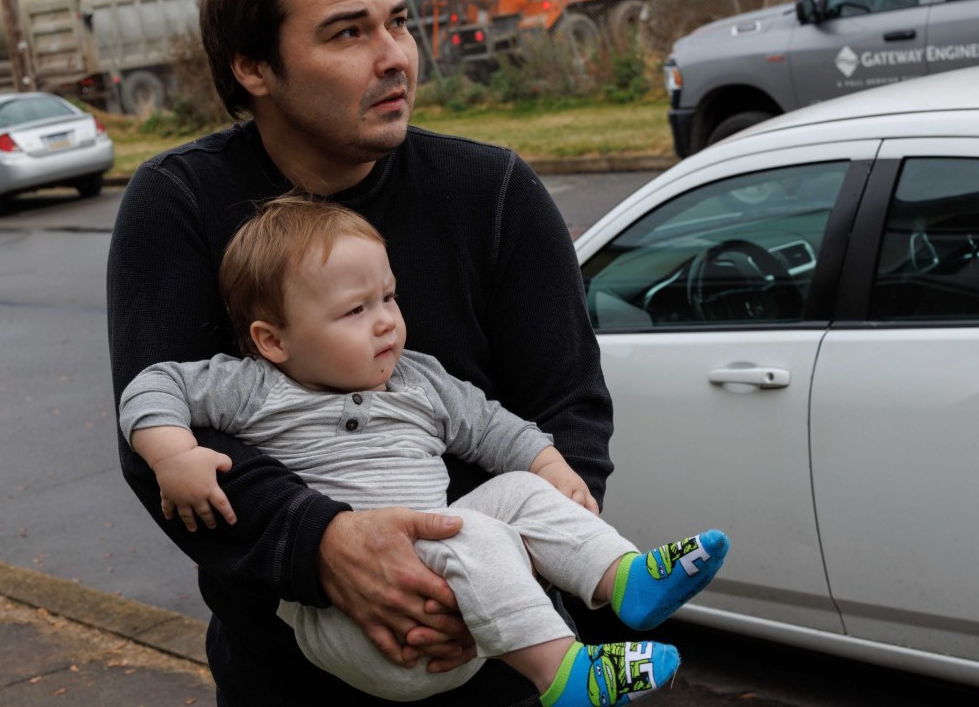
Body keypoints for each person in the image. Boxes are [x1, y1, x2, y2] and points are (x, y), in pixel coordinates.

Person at [107, 0, 618, 705]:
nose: (395, 58)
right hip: (291, 677)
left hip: (500, 672)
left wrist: (482, 589)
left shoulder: (493, 193)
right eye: (348, 33)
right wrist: (324, 545)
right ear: (254, 66)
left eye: (398, 22)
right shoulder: (181, 203)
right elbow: (165, 441)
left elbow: (568, 413)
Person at [119, 195, 730, 706]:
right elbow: (152, 384)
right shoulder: (252, 387)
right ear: (272, 340)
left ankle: (624, 579)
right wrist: (173, 454)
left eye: (388, 297)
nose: (385, 321)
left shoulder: (419, 379)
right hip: (351, 624)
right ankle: (561, 674)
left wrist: (551, 468)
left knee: (521, 490)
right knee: (475, 533)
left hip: (458, 607)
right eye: (355, 310)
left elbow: (496, 428)